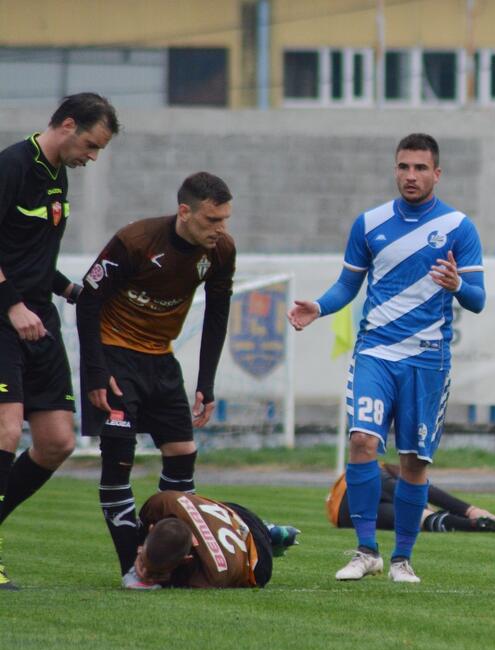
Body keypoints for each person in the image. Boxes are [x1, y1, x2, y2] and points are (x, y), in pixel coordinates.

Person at [287, 133, 485, 585]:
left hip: (428, 360)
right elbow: (346, 285)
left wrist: (457, 285)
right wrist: (318, 306)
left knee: (414, 463)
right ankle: (365, 551)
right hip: (376, 351)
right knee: (362, 443)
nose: (410, 175)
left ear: (437, 173)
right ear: (395, 169)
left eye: (420, 168)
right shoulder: (370, 223)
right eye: (403, 167)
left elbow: (478, 299)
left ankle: (402, 559)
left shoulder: (459, 227)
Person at [76, 172, 236, 584]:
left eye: (224, 220)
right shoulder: (137, 240)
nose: (220, 229)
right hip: (115, 359)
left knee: (183, 459)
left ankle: (164, 562)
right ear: (185, 212)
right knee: (119, 461)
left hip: (161, 361)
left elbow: (218, 313)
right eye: (212, 220)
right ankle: (135, 567)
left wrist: (207, 382)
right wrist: (95, 372)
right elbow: (88, 299)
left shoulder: (220, 252)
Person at [0, 92, 119, 589]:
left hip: (39, 317)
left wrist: (68, 287)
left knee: (57, 442)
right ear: (68, 125)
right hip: (5, 317)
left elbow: (31, 254)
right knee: (6, 431)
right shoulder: (12, 166)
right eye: (90, 145)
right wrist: (12, 305)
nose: (92, 157)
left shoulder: (58, 177)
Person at [124, 490, 299, 589]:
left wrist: (159, 578)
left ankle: (269, 535)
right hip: (231, 511)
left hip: (257, 556)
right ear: (152, 528)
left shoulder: (210, 576)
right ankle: (269, 530)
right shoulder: (162, 502)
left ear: (187, 559)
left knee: (262, 546)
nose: (146, 572)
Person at [325, 463, 495, 533]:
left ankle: (479, 524)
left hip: (345, 513)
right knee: (417, 508)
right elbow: (428, 491)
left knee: (421, 518)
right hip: (352, 492)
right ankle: (478, 519)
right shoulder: (385, 471)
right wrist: (470, 509)